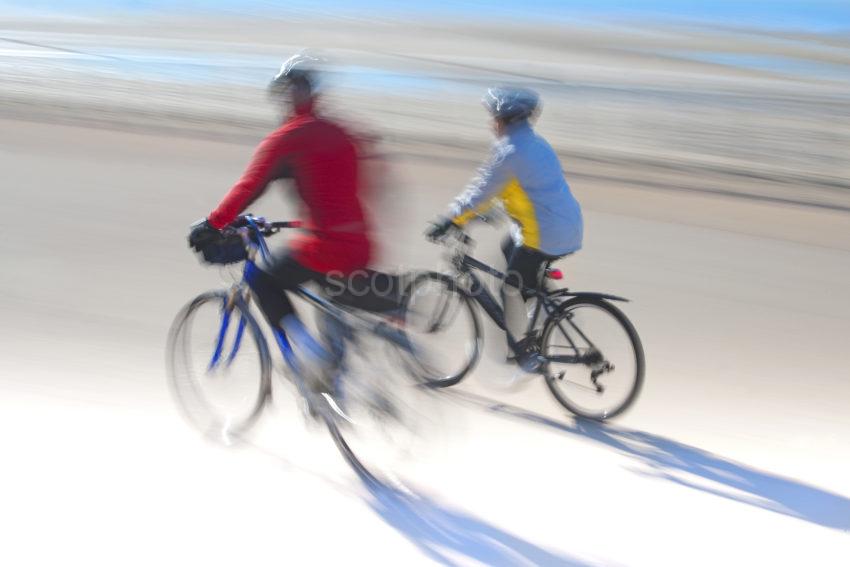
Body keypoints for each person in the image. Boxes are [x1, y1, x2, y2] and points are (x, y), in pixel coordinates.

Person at [188, 53, 392, 392]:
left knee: (265, 282)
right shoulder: (343, 132)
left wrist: (212, 224)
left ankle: (313, 358)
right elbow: (350, 189)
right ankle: (335, 388)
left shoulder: (288, 137)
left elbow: (249, 187)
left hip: (324, 247)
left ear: (288, 94)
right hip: (361, 242)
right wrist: (307, 220)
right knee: (332, 307)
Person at [426, 86, 583, 372]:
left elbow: (480, 192)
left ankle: (524, 351)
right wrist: (484, 215)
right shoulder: (536, 144)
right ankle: (538, 301)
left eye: (493, 117)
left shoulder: (508, 152)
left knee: (509, 287)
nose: (491, 124)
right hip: (566, 225)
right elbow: (520, 190)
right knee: (508, 248)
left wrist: (450, 220)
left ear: (504, 120)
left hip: (545, 234)